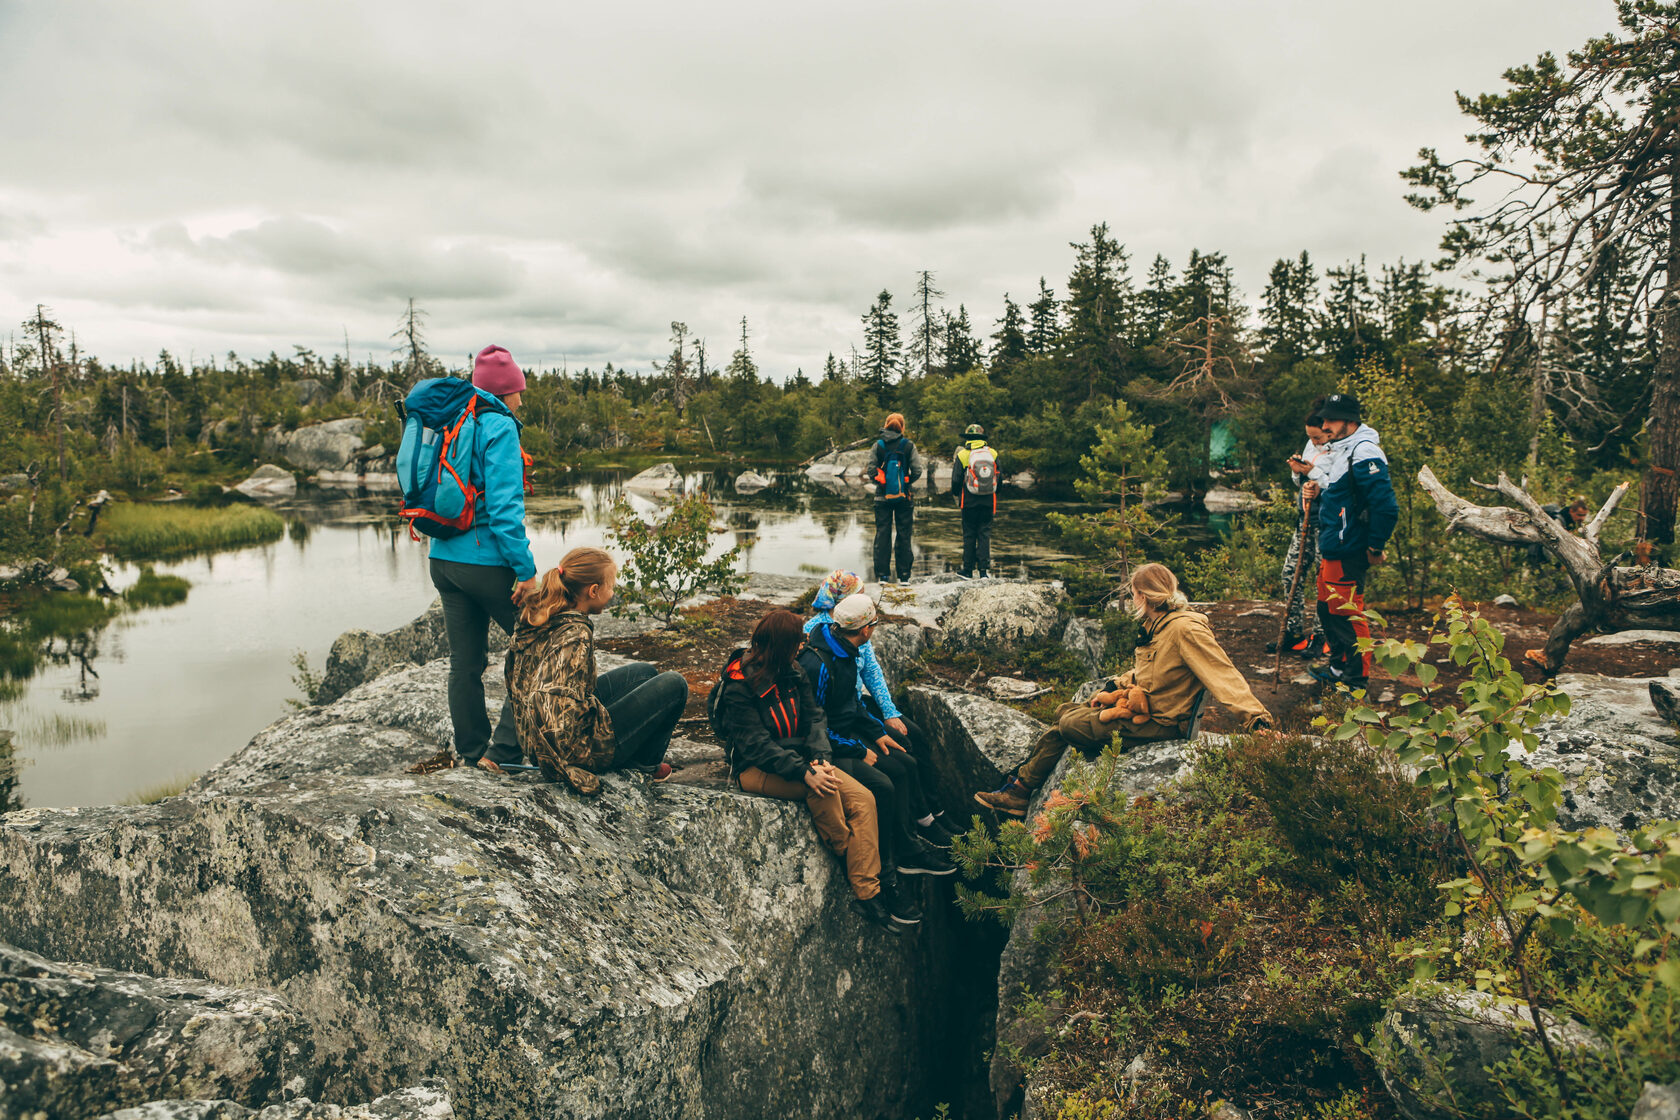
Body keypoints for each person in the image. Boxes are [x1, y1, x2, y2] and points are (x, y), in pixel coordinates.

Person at [975, 564, 1272, 817]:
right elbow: (1151, 671)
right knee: (1065, 712)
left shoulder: (1185, 629)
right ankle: (1021, 790)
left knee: (1068, 723)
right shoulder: (1159, 624)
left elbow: (1223, 674)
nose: (1132, 600)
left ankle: (1020, 790)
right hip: (1141, 712)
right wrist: (1116, 684)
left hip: (1162, 723)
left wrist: (1257, 721)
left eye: (1133, 594)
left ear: (1144, 595)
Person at [718, 609, 903, 931]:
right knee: (825, 791)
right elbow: (757, 745)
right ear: (783, 645)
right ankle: (855, 867)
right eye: (798, 642)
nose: (803, 647)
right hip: (756, 768)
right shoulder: (739, 685)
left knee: (864, 799)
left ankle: (867, 894)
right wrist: (805, 772)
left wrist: (819, 758)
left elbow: (815, 717)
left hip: (803, 757)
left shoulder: (791, 670)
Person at [798, 593, 957, 891]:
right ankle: (899, 857)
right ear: (865, 630)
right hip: (831, 744)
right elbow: (813, 724)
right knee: (887, 781)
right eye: (874, 624)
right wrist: (859, 749)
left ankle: (913, 839)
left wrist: (877, 732)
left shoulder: (845, 650)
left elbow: (852, 705)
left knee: (906, 762)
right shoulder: (819, 664)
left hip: (849, 734)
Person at [429, 344, 539, 773]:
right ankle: (506, 752)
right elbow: (505, 508)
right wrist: (525, 571)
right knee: (538, 644)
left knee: (465, 664)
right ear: (503, 391)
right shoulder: (499, 425)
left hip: (443, 561)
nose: (521, 399)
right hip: (483, 562)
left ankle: (472, 753)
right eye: (517, 391)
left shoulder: (453, 420)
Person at [503, 547, 689, 789]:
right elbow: (543, 698)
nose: (612, 592)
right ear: (593, 591)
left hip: (540, 739)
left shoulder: (547, 614)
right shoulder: (575, 634)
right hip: (574, 750)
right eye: (611, 585)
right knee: (675, 685)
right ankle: (644, 767)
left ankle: (634, 754)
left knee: (643, 673)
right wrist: (564, 767)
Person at [1303, 392, 1399, 691]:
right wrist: (1318, 491)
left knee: (1347, 614)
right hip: (1334, 543)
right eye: (1325, 419)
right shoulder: (1343, 449)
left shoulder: (1365, 451)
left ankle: (1357, 682)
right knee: (1325, 609)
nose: (1326, 424)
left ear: (1350, 420)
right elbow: (1341, 492)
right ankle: (1338, 667)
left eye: (1332, 419)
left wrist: (1375, 546)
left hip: (1350, 547)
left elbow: (1385, 506)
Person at [1272, 399, 1334, 658]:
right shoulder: (1312, 443)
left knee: (1324, 580)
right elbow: (1303, 479)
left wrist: (1315, 474)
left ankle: (1322, 636)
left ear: (1329, 430)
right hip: (1305, 518)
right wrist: (1299, 473)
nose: (1314, 443)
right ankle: (1293, 632)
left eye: (1317, 438)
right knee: (1290, 573)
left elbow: (1338, 485)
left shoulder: (1343, 449)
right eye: (1310, 438)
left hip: (1327, 522)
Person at [870, 413, 922, 584]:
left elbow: (871, 471)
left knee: (882, 534)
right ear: (902, 427)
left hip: (882, 497)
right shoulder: (909, 446)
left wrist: (882, 485)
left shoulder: (878, 445)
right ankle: (904, 576)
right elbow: (917, 471)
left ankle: (883, 576)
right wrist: (905, 484)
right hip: (904, 497)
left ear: (886, 425)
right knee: (904, 534)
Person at [949, 424, 999, 579]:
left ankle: (968, 570)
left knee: (969, 535)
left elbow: (956, 480)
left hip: (968, 501)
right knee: (984, 534)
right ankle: (984, 571)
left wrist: (956, 495)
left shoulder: (963, 455)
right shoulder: (993, 453)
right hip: (989, 501)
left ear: (968, 438)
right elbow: (1000, 478)